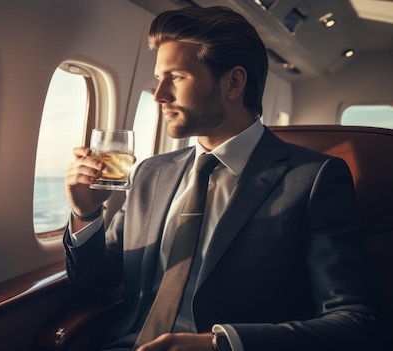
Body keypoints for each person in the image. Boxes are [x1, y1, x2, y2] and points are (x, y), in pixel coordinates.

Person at [63, 5, 386, 351]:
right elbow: (95, 287)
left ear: (233, 83)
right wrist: (86, 215)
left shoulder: (312, 179)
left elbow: (356, 320)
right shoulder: (149, 173)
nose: (159, 95)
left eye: (176, 77)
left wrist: (221, 344)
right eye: (159, 78)